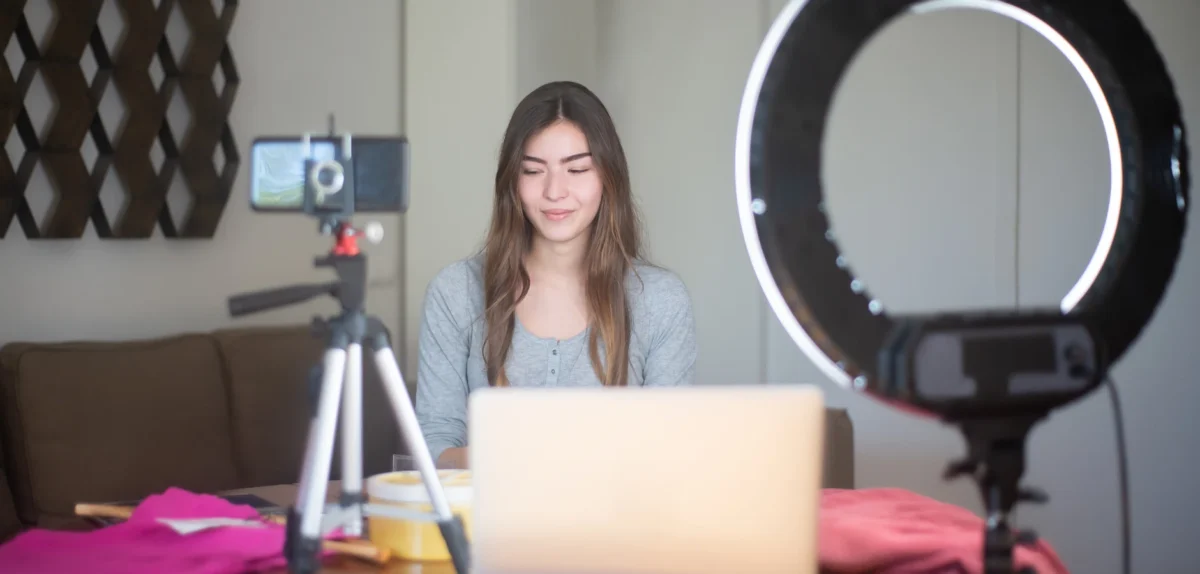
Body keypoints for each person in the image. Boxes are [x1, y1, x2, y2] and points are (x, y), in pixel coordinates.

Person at [413, 80, 697, 469]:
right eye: (533, 171)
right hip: (489, 525)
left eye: (577, 169)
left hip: (616, 526)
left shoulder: (660, 300)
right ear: (512, 181)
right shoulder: (455, 292)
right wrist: (548, 457)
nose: (555, 191)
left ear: (608, 178)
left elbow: (670, 453)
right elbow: (434, 450)